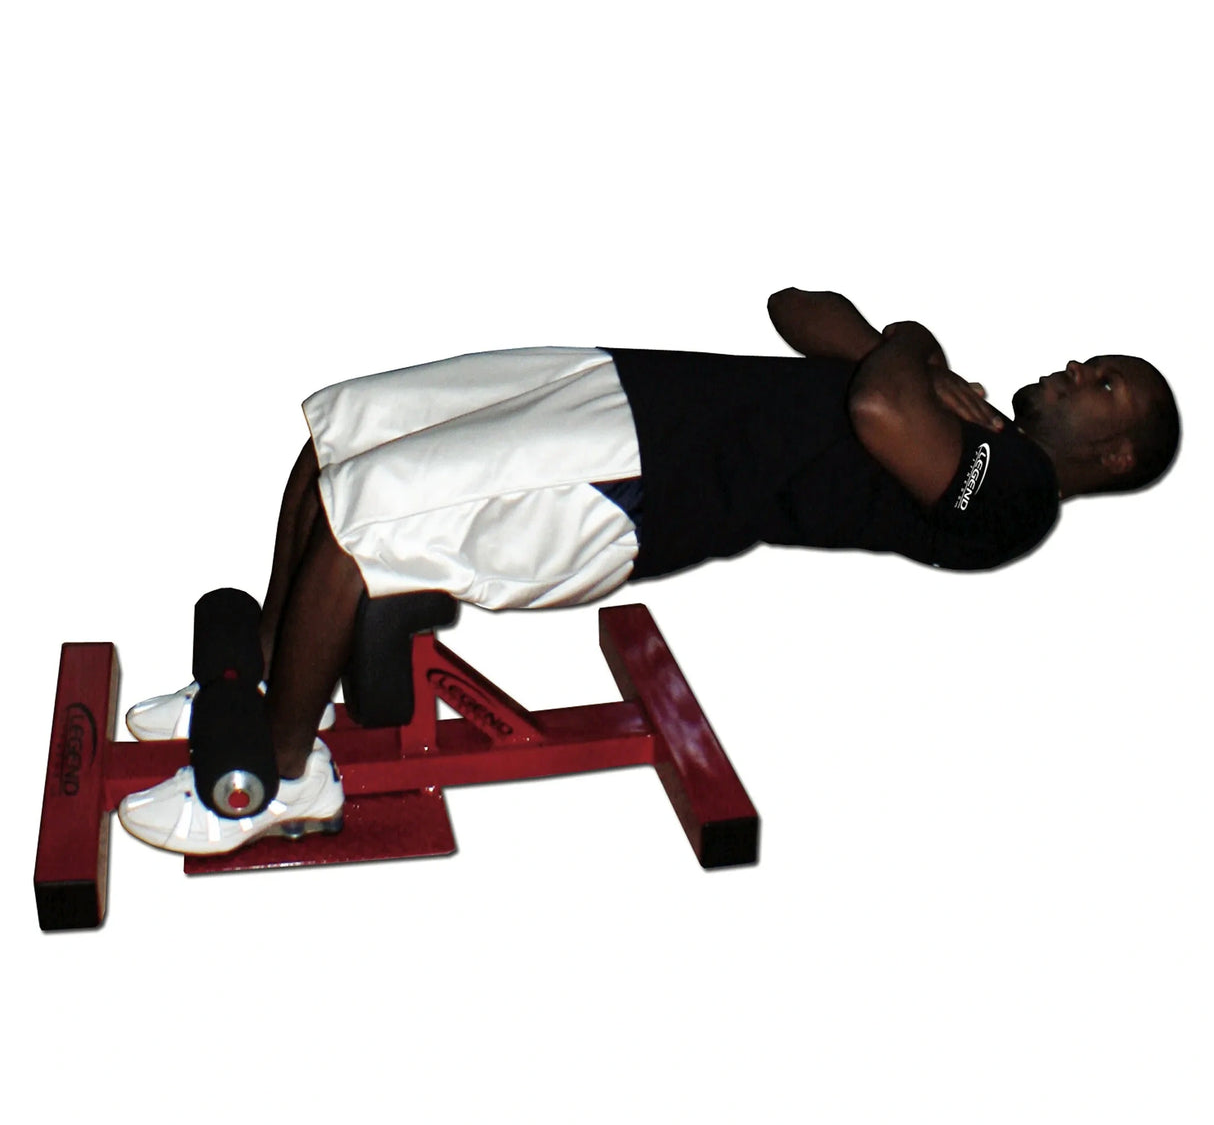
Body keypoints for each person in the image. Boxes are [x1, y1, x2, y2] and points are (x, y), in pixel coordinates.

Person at [117, 290, 1180, 855]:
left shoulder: (1016, 493)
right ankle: (261, 668)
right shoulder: (960, 413)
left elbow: (873, 405)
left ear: (1114, 456)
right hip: (625, 390)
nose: (1080, 368)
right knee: (335, 437)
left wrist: (913, 348)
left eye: (1107, 386)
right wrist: (920, 358)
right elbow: (794, 304)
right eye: (1096, 362)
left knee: (364, 530)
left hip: (639, 483)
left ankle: (290, 771)